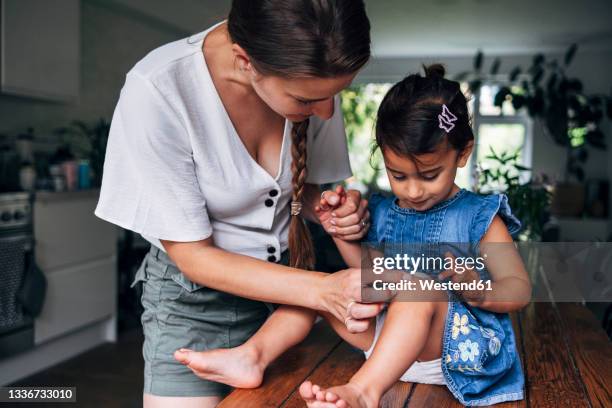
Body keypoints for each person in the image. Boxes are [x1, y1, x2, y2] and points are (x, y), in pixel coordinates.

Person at [176, 64, 532, 407]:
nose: (413, 191)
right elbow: (373, 275)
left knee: (420, 293)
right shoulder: (383, 210)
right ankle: (252, 356)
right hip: (387, 345)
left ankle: (363, 391)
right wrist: (339, 229)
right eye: (399, 175)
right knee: (318, 289)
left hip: (453, 350)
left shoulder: (480, 217)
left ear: (463, 154)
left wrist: (480, 290)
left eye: (429, 176)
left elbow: (518, 288)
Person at [95, 1, 380, 406]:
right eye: (305, 101)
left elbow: (306, 187)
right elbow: (193, 256)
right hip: (193, 300)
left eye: (335, 95)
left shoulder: (316, 85)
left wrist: (334, 208)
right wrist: (321, 290)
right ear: (246, 61)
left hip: (288, 299)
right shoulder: (159, 89)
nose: (326, 111)